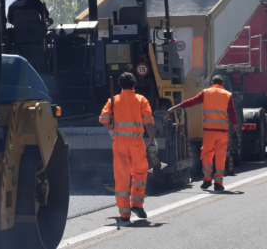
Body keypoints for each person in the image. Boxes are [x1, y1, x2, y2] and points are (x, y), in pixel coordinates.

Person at [166, 75, 238, 192]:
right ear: (222, 84)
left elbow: (191, 102)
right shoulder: (227, 95)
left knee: (207, 154)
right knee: (220, 156)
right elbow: (233, 114)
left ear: (212, 83)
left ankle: (207, 179)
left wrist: (173, 108)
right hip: (222, 132)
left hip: (209, 131)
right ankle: (218, 183)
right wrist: (235, 130)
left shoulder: (206, 92)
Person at [99, 72, 155, 221]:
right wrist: (152, 138)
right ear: (134, 85)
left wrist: (111, 131)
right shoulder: (141, 99)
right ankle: (136, 203)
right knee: (140, 173)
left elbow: (104, 118)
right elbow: (148, 121)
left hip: (119, 142)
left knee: (122, 176)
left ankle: (124, 213)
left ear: (120, 85)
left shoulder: (114, 100)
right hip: (136, 142)